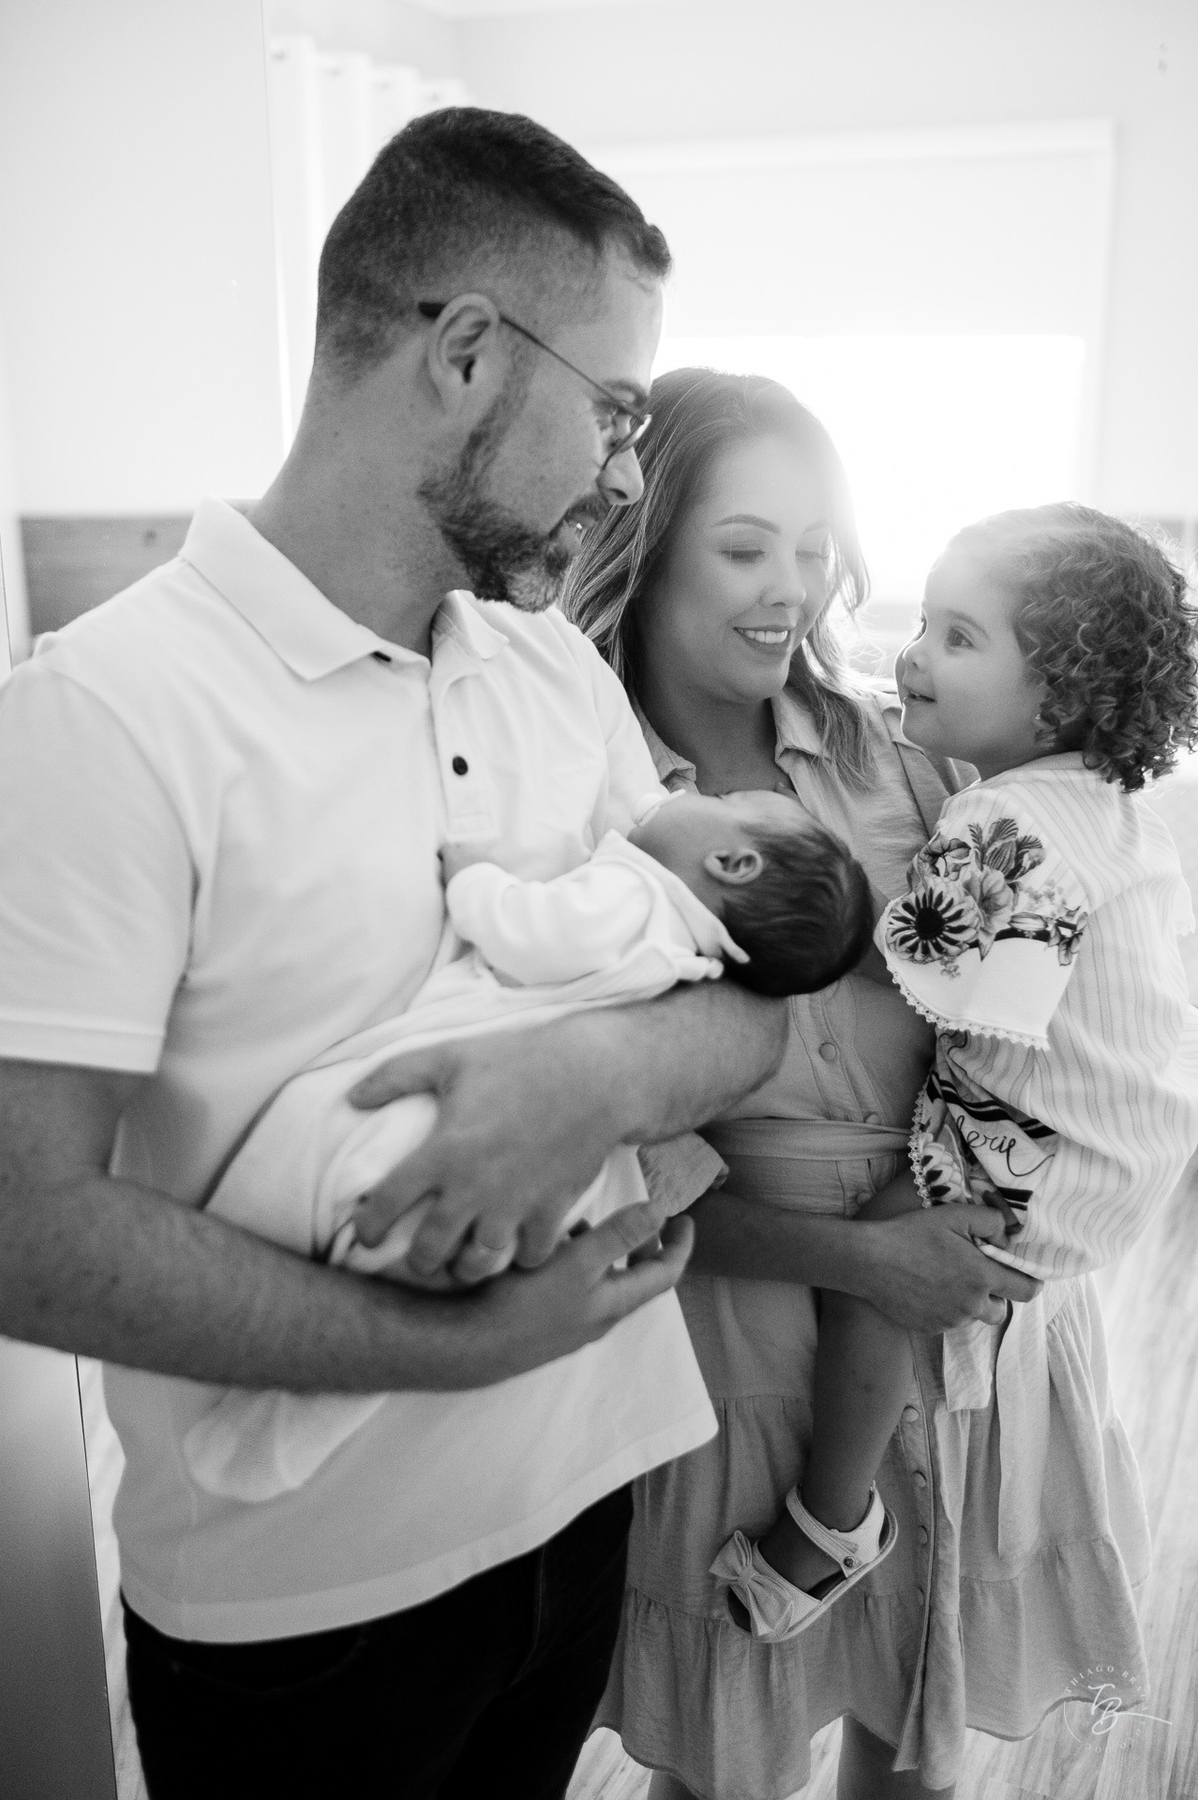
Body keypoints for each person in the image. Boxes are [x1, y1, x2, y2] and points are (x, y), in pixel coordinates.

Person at [0, 113, 794, 1800]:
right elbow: (18, 1230)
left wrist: (592, 1075)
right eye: (617, 412)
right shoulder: (98, 720)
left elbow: (750, 1012)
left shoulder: (548, 673)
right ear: (463, 356)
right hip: (302, 1620)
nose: (627, 474)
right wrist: (459, 1342)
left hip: (584, 1508)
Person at [563, 371, 1145, 1800]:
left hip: (963, 1319)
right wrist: (856, 1255)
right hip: (739, 1335)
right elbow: (603, 1156)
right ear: (655, 540)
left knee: (918, 1738)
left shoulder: (911, 756)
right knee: (734, 1757)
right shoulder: (588, 796)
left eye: (815, 549)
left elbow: (1043, 1017)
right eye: (747, 546)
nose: (790, 589)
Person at [711, 503, 1198, 1646]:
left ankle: (833, 1519)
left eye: (961, 639)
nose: (917, 656)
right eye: (924, 623)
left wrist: (780, 881)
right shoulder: (1100, 807)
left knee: (884, 1251)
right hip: (1122, 1149)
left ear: (1060, 698)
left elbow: (906, 965)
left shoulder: (1002, 816)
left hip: (1051, 1146)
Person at [184, 786, 873, 1503]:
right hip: (536, 1153)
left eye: (721, 797)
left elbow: (532, 934)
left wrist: (475, 878)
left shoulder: (637, 897)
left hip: (459, 1109)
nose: (686, 789)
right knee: (383, 1262)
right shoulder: (691, 954)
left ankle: (293, 1395)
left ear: (731, 861)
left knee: (358, 1204)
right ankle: (289, 1415)